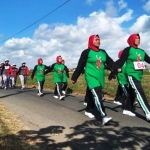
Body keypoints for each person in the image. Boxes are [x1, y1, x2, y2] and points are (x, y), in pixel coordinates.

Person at [71, 34, 119, 125]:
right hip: (90, 76)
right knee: (98, 94)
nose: (98, 41)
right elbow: (80, 65)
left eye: (99, 39)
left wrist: (116, 69)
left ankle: (88, 110)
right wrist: (74, 77)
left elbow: (110, 62)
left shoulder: (103, 52)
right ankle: (103, 116)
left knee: (91, 94)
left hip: (100, 77)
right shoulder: (86, 52)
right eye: (96, 39)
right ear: (91, 41)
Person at [116, 33, 150, 121]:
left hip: (139, 75)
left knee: (132, 92)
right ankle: (148, 112)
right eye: (136, 38)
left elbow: (149, 60)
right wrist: (114, 68)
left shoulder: (142, 51)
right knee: (139, 91)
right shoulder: (128, 50)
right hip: (131, 74)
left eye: (139, 38)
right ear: (132, 40)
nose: (138, 40)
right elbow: (121, 60)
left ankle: (127, 108)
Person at [109, 50, 136, 116]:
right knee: (127, 94)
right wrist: (112, 75)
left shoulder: (127, 62)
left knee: (129, 92)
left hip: (126, 80)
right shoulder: (119, 62)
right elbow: (113, 69)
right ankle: (127, 108)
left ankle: (122, 100)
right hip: (122, 80)